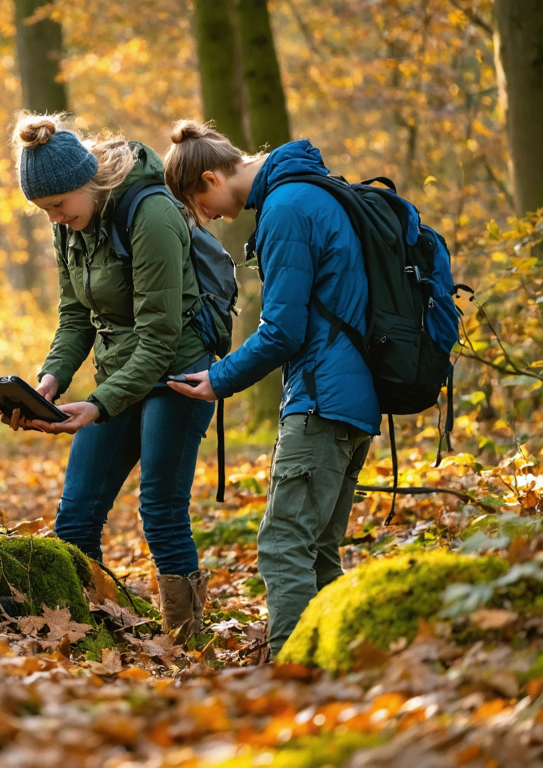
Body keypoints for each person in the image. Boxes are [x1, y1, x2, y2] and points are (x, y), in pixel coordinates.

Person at [162, 120, 379, 660]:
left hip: (321, 402)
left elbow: (284, 329)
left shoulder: (285, 209)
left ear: (212, 176)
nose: (203, 216)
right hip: (355, 402)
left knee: (283, 548)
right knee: (320, 554)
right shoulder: (317, 190)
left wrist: (220, 378)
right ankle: (337, 668)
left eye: (197, 202)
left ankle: (292, 677)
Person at [5, 113, 216, 642]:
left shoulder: (153, 215)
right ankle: (92, 638)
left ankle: (189, 648)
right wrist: (50, 379)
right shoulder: (70, 227)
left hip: (177, 375)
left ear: (89, 183)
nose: (53, 218)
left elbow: (160, 337)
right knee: (76, 516)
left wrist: (98, 404)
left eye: (58, 205)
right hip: (118, 372)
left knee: (161, 511)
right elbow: (75, 314)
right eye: (43, 211)